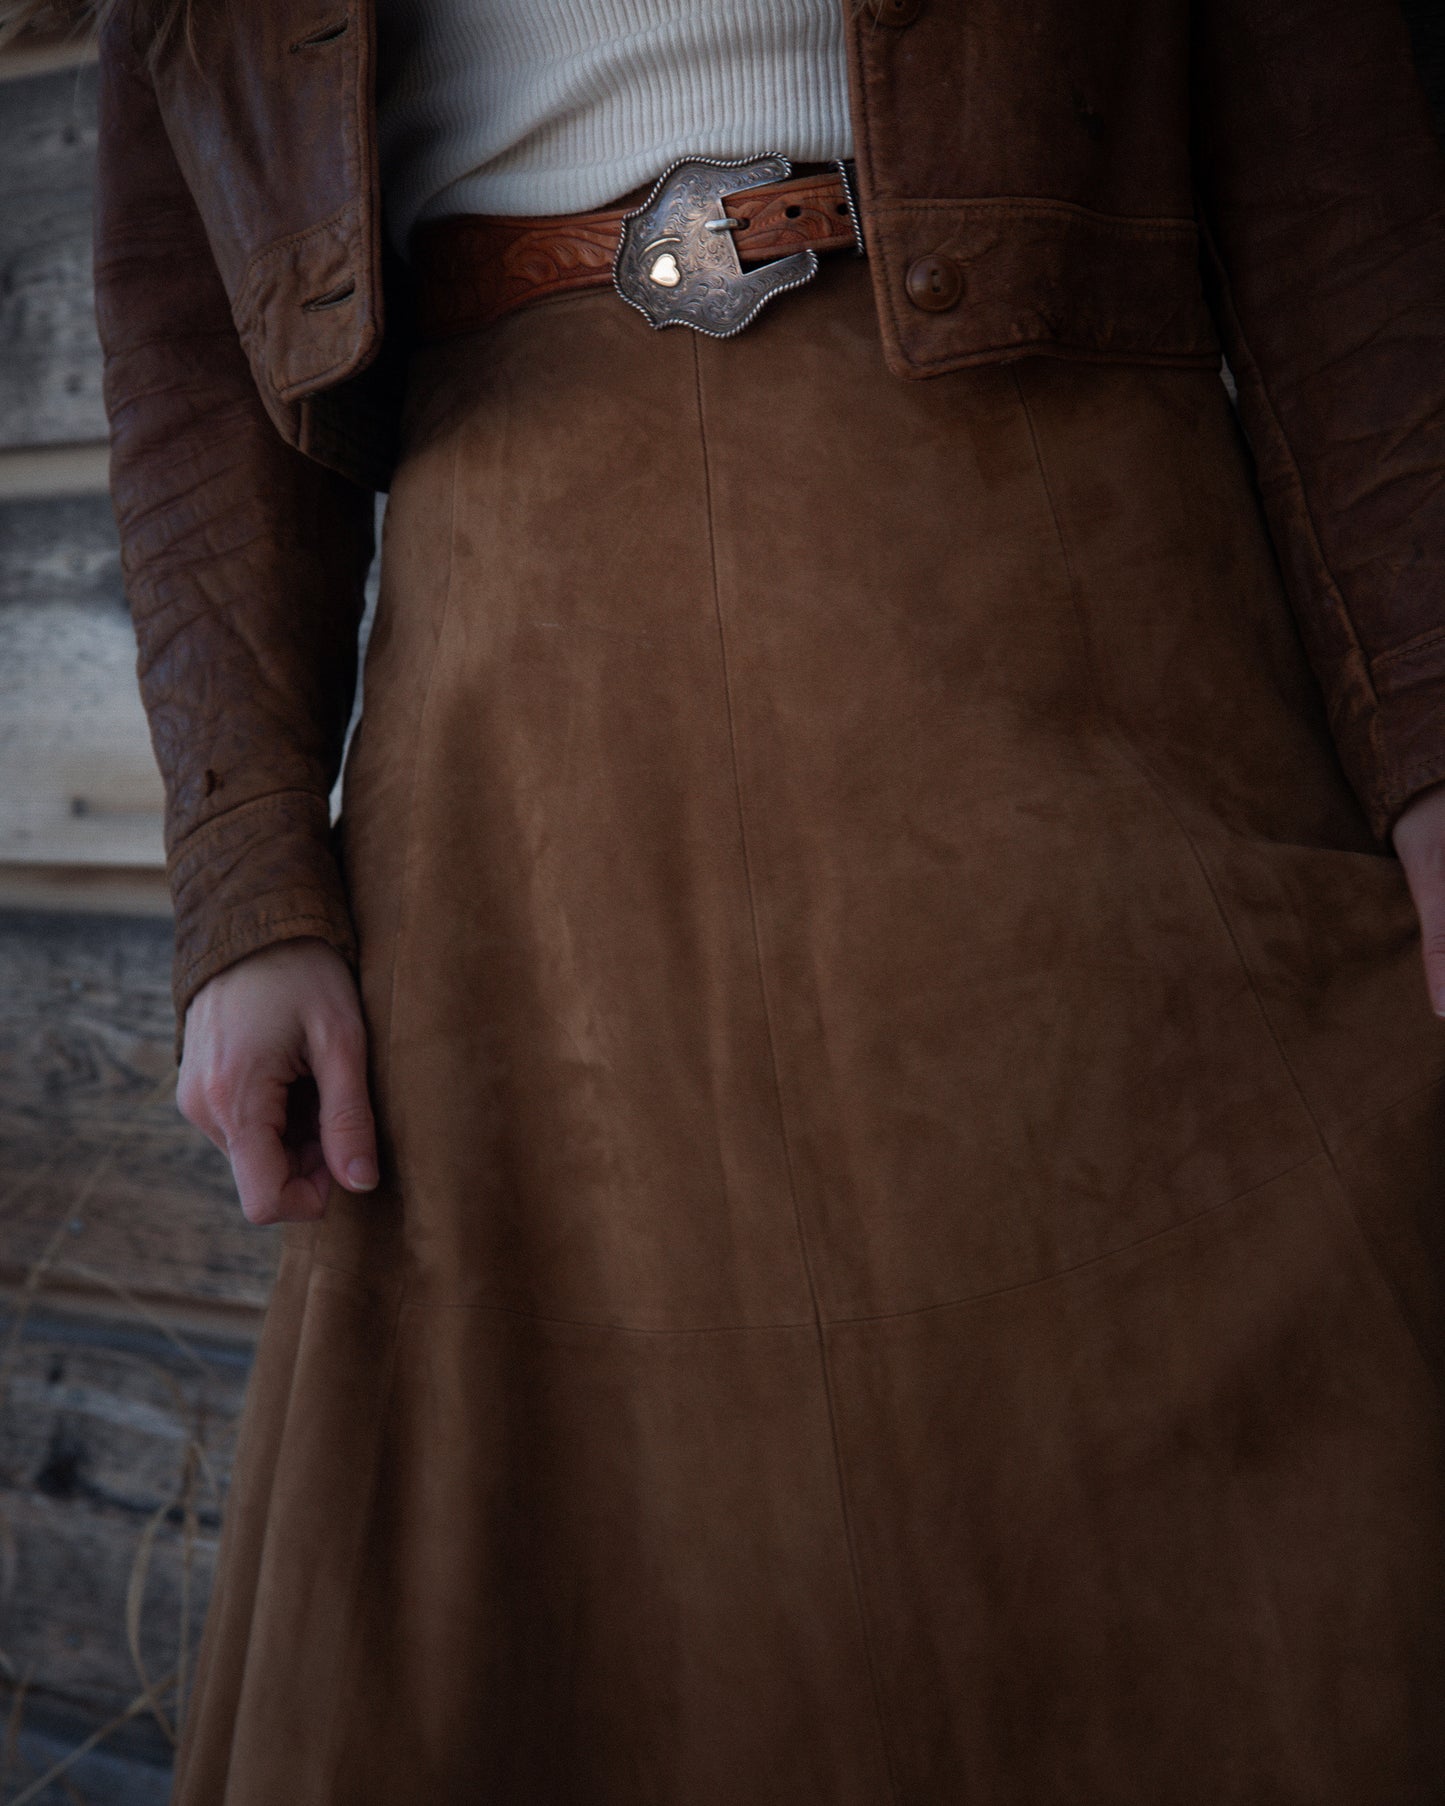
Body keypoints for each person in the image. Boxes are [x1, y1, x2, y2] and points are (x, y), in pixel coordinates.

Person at [30, 0, 1445, 1796]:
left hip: (1072, 595)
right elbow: (185, 318)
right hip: (511, 726)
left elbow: (1330, 155)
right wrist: (242, 881)